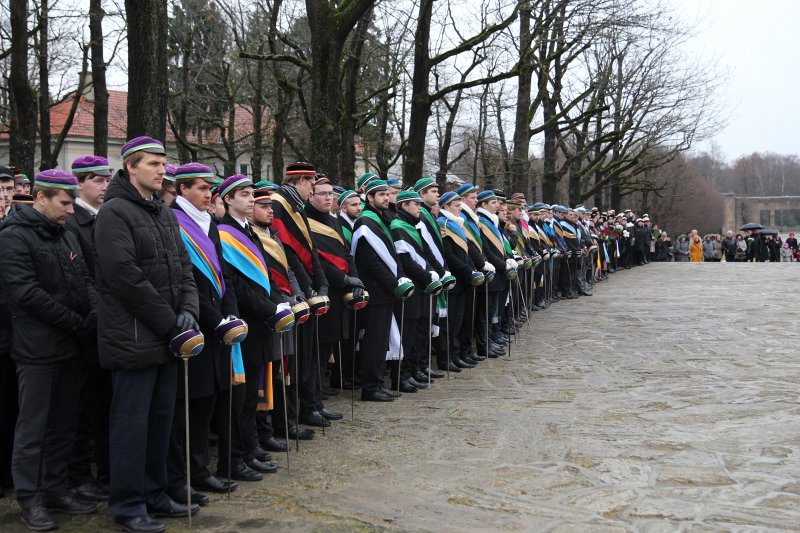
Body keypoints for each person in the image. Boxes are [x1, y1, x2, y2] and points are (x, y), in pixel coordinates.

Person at [95, 136, 200, 533]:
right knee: (131, 426)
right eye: (155, 164)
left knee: (161, 423)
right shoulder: (114, 213)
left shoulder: (163, 212)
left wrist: (188, 311)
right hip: (134, 338)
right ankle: (128, 504)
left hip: (167, 339)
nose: (163, 170)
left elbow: (183, 268)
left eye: (164, 163)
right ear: (132, 167)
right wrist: (170, 322)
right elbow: (125, 278)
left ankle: (155, 493)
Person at [0, 169, 98, 531]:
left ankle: (56, 489)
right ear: (41, 198)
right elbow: (25, 294)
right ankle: (30, 498)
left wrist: (93, 314)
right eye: (64, 203)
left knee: (63, 425)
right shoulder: (14, 238)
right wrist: (75, 321)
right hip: (37, 350)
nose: (71, 210)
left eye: (72, 203)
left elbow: (84, 279)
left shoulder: (64, 233)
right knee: (33, 429)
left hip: (71, 347)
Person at [168, 163, 241, 503]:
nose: (208, 193)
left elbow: (221, 274)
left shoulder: (209, 222)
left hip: (216, 326)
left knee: (208, 401)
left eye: (210, 187)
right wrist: (215, 320)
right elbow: (189, 283)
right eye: (200, 187)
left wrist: (230, 313)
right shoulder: (174, 221)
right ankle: (184, 475)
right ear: (182, 190)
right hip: (193, 325)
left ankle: (200, 470)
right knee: (189, 405)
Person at [65, 155, 113, 503]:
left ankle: (107, 469)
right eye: (98, 180)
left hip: (108, 325)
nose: (105, 187)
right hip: (86, 326)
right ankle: (80, 475)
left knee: (105, 404)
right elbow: (83, 278)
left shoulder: (104, 218)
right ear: (79, 182)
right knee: (83, 407)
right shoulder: (73, 222)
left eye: (108, 180)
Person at [352, 179, 410, 401]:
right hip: (375, 291)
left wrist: (399, 278)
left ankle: (376, 383)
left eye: (387, 194)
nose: (386, 198)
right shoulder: (366, 222)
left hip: (385, 291)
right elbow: (370, 261)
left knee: (381, 340)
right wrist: (393, 283)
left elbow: (392, 255)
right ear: (369, 198)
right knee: (374, 342)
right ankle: (370, 387)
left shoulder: (380, 219)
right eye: (381, 195)